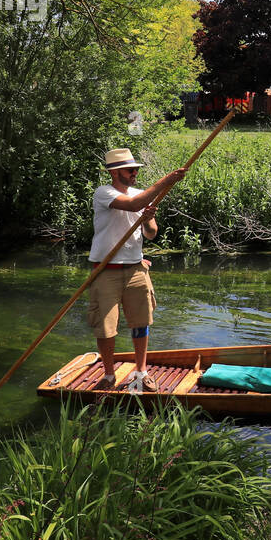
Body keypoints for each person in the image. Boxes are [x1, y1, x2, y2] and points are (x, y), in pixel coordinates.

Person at [88, 148, 187, 392]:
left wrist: (148, 220)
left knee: (141, 322)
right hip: (106, 270)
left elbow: (151, 234)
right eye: (130, 170)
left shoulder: (140, 195)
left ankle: (141, 373)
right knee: (106, 326)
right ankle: (109, 375)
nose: (135, 173)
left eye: (136, 169)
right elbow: (133, 205)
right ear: (115, 173)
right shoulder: (104, 193)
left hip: (135, 268)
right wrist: (168, 180)